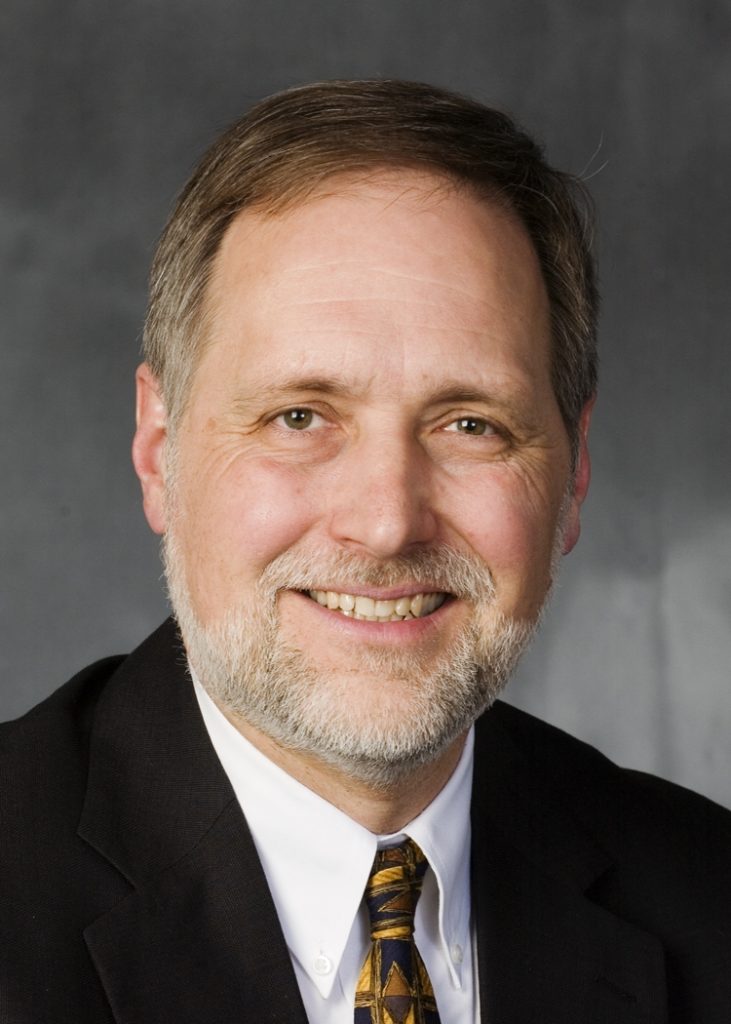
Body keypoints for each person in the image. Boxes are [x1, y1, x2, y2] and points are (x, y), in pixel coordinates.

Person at [1, 80, 729, 1024]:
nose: (387, 521)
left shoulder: (708, 902)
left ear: (574, 472)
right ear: (159, 448)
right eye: (298, 416)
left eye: (471, 425)